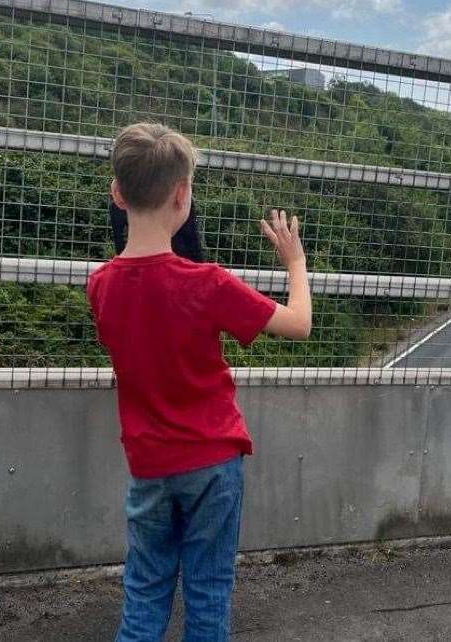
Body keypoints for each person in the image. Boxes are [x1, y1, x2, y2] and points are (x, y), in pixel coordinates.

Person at [86, 122, 312, 642]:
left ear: (117, 193)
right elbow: (299, 324)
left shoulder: (100, 286)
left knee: (145, 591)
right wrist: (295, 262)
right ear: (183, 194)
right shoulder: (208, 283)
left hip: (148, 463)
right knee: (208, 592)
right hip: (212, 461)